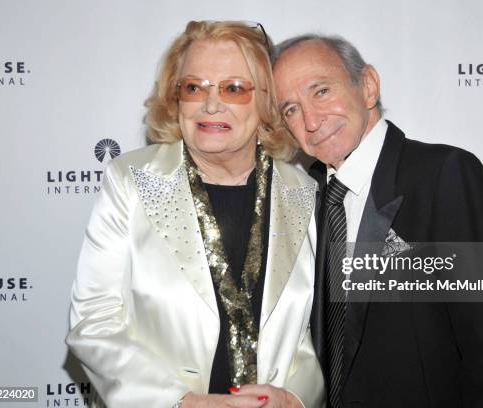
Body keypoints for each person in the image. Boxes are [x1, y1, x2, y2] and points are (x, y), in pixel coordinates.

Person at [66, 21, 325, 408]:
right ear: (176, 98)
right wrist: (183, 402)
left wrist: (296, 399)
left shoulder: (303, 191)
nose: (210, 104)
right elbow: (93, 322)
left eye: (234, 88)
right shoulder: (130, 182)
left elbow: (313, 333)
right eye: (194, 87)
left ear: (267, 101)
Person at [272, 34, 483, 407]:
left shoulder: (445, 176)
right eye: (291, 110)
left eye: (321, 92)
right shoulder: (300, 196)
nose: (311, 121)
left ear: (367, 87)